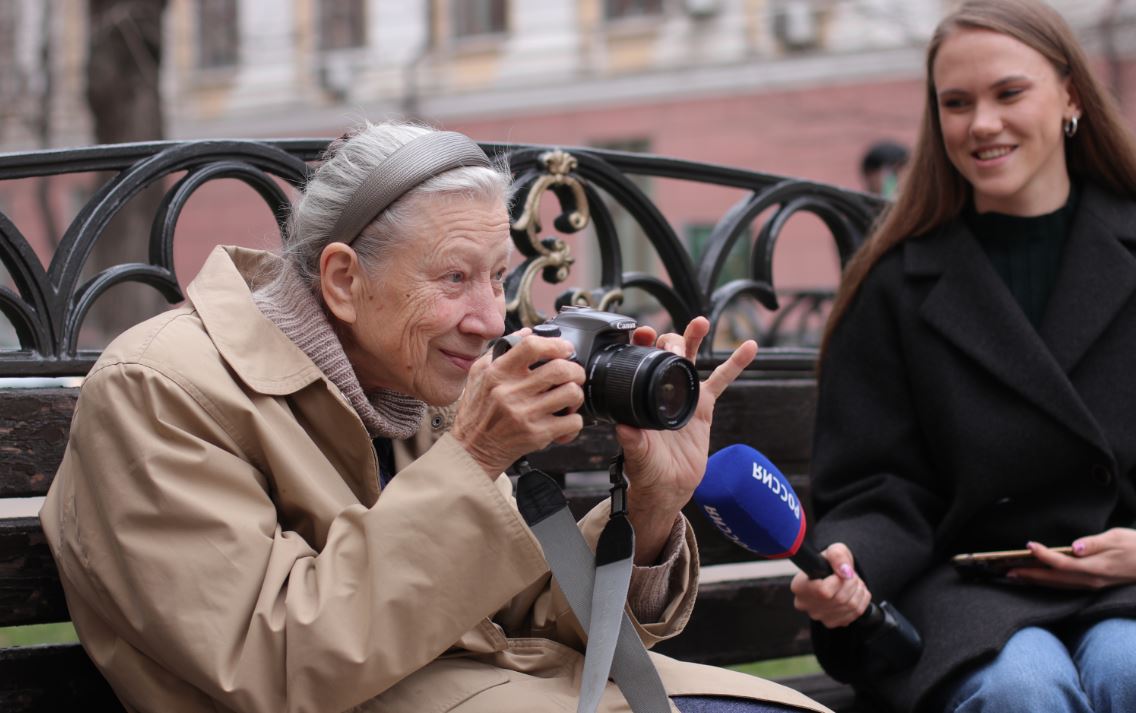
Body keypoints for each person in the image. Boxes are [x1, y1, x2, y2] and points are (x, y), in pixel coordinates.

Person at [40, 122, 828, 713]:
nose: (492, 318)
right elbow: (272, 662)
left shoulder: (404, 378)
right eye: (455, 278)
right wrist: (473, 458)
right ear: (344, 280)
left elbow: (527, 617)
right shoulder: (163, 388)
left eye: (499, 277)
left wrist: (654, 504)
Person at [790, 1, 1136, 711]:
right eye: (956, 102)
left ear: (1070, 94)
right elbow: (876, 487)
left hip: (1128, 576)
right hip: (968, 591)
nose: (981, 123)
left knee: (1127, 667)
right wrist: (849, 561)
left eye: (1009, 93)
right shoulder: (895, 283)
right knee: (1023, 689)